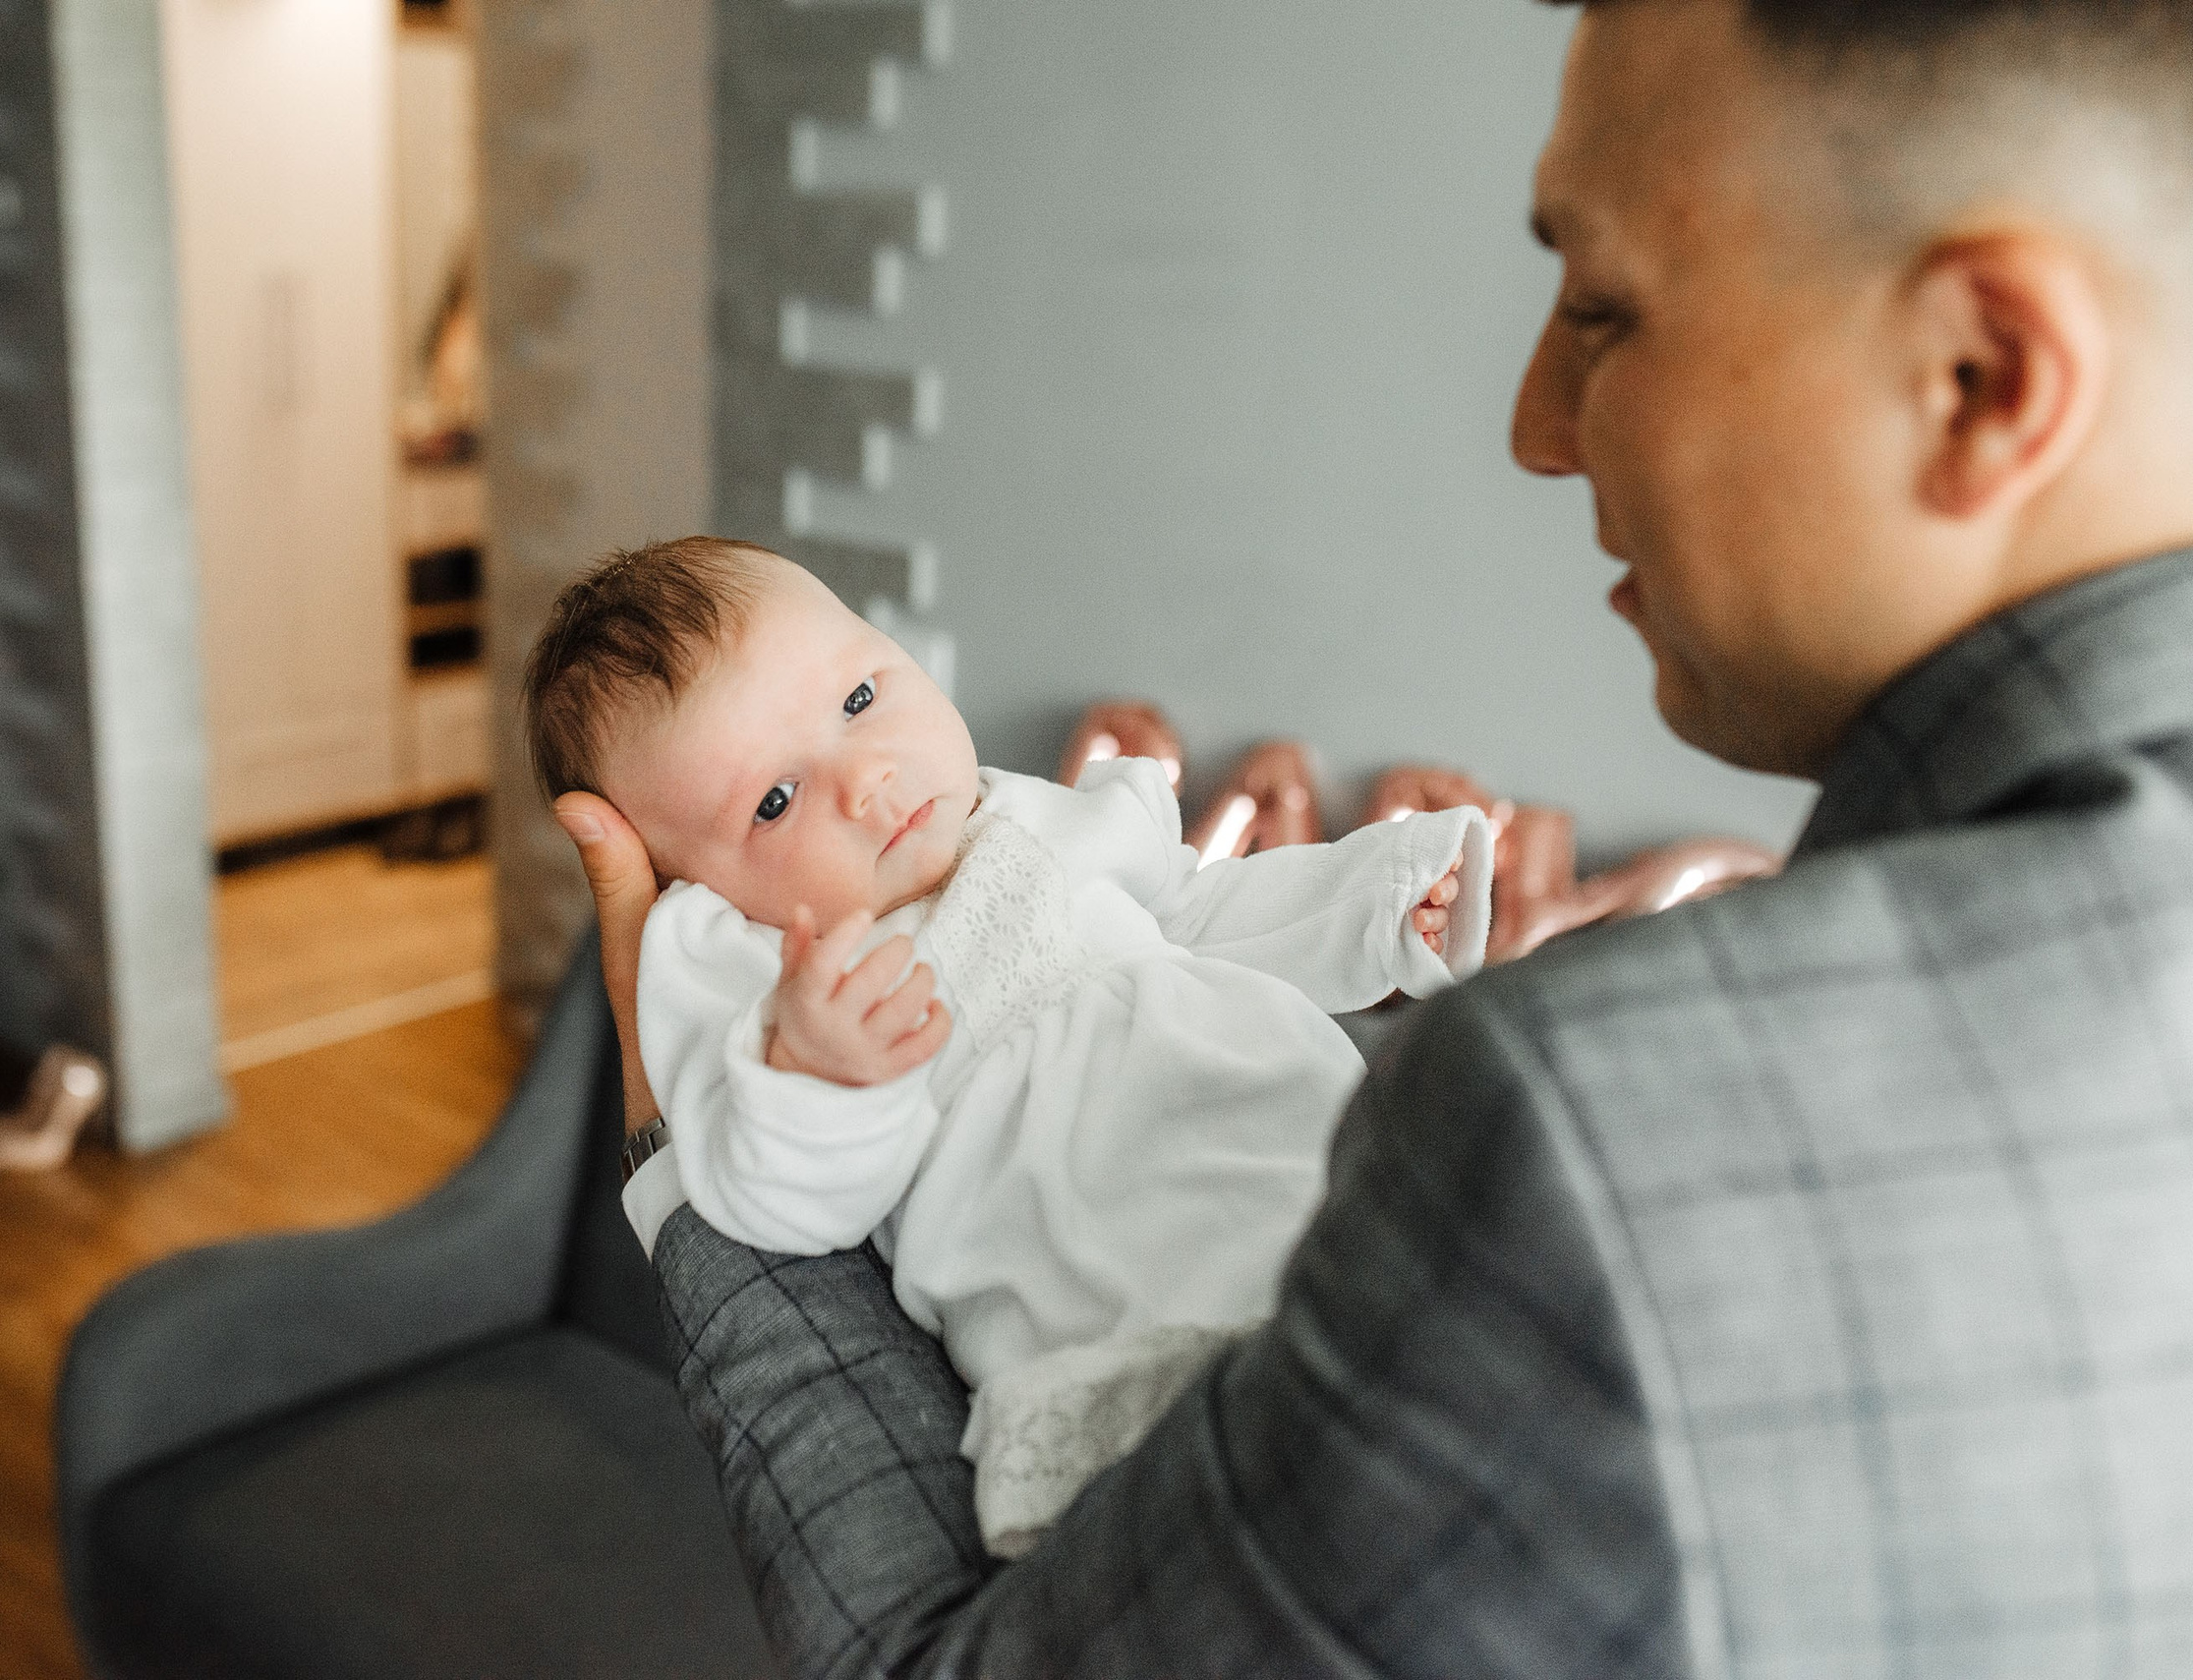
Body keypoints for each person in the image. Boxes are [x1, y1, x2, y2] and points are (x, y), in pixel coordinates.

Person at [549, 0, 2193, 1670]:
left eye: (1604, 308)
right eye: (767, 796)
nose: (1535, 424)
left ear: (1984, 372)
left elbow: (1195, 912)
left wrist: (675, 1146)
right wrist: (779, 1096)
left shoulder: (1597, 1126)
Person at [523, 539, 1487, 1558]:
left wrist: (1374, 907)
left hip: (1337, 1189)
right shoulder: (771, 980)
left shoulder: (1029, 816)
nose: (867, 782)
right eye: (772, 800)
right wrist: (819, 1076)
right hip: (1132, 1324)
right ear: (692, 893)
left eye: (858, 699)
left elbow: (1198, 911)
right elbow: (771, 1204)